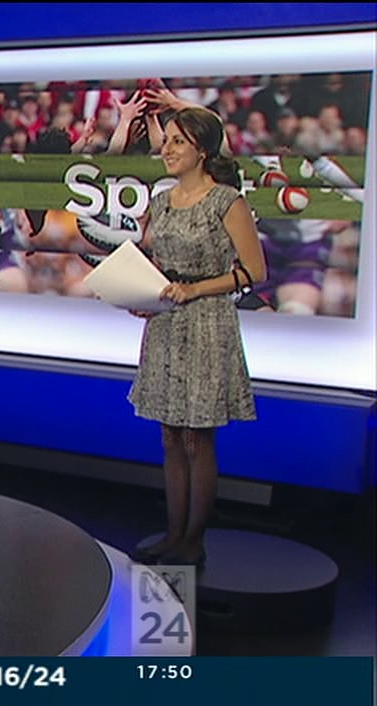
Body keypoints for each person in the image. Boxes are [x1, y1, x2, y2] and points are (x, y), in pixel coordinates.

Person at [126, 107, 267, 569]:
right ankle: (172, 534)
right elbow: (154, 263)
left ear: (202, 150)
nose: (166, 149)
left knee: (195, 437)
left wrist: (196, 289)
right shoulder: (161, 201)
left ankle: (193, 540)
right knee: (169, 434)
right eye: (166, 140)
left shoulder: (227, 202)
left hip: (207, 323)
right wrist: (143, 294)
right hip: (166, 324)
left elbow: (254, 271)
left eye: (177, 142)